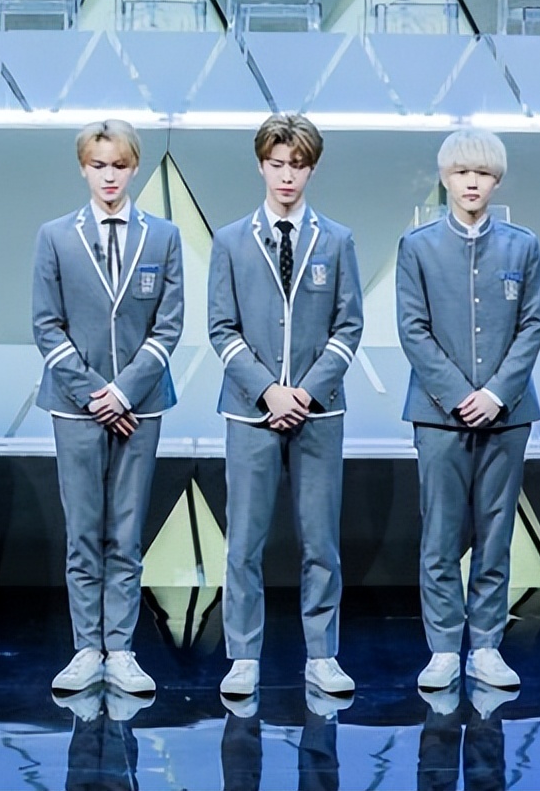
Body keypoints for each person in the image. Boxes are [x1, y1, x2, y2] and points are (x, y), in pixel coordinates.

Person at [208, 112, 363, 698]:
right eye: (277, 165)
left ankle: (322, 655)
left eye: (297, 166)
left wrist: (306, 391)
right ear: (261, 166)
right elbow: (221, 328)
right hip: (250, 412)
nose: (287, 176)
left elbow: (349, 327)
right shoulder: (230, 240)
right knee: (244, 543)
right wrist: (268, 390)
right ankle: (242, 657)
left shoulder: (338, 240)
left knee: (321, 543)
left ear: (311, 169)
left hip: (318, 413)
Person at [33, 119, 183, 696]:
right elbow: (47, 325)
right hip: (75, 408)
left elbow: (168, 325)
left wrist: (123, 392)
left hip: (141, 407)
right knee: (83, 533)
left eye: (119, 165)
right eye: (99, 165)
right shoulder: (55, 236)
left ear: (135, 167)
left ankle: (120, 649)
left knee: (125, 531)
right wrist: (97, 393)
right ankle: (84, 649)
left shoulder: (163, 237)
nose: (109, 176)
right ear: (83, 168)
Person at [396, 128, 540, 693]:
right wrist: (460, 394)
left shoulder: (523, 246)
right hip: (438, 415)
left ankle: (485, 647)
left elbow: (532, 326)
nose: (472, 182)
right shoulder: (417, 245)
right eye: (462, 172)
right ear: (445, 178)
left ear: (496, 179)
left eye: (481, 173)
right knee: (439, 536)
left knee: (495, 533)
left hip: (507, 415)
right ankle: (442, 649)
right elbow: (413, 328)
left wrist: (495, 394)